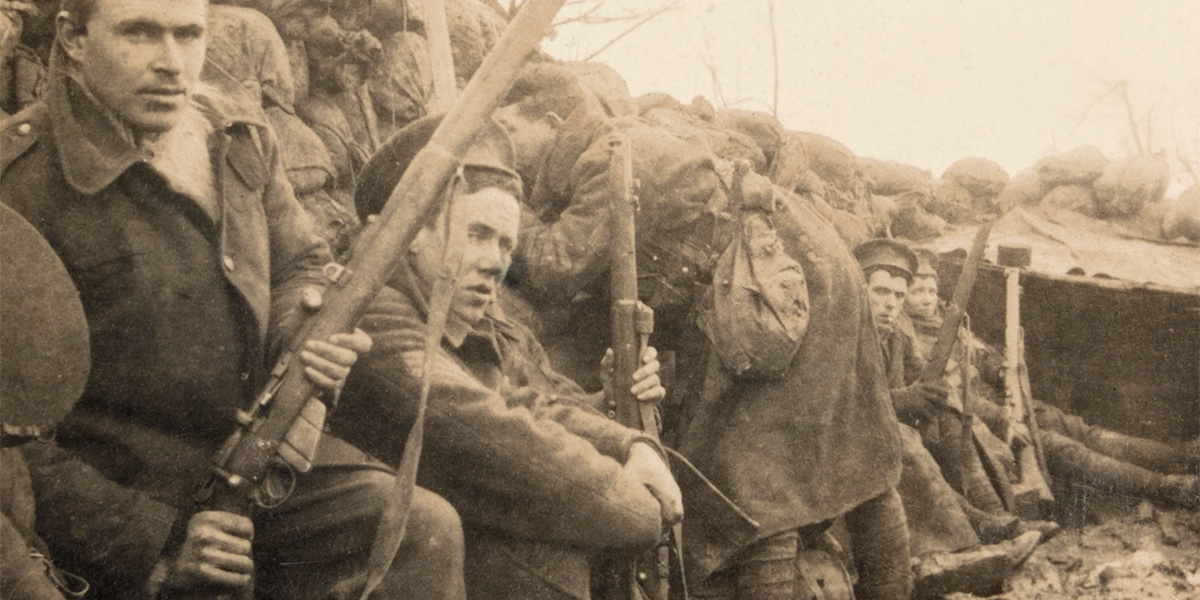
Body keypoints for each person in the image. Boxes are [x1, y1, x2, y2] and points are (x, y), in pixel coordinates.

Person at [0, 1, 463, 598]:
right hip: (117, 496)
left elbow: (298, 264)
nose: (171, 63)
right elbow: (11, 443)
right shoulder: (18, 183)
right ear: (74, 39)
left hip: (254, 463)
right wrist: (150, 540)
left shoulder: (234, 134)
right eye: (140, 34)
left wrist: (303, 337)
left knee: (416, 528)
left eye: (188, 35)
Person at [339, 114, 682, 600]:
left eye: (506, 244)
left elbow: (531, 404)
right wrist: (635, 507)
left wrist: (631, 444)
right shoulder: (369, 310)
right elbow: (488, 434)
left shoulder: (471, 325)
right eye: (477, 234)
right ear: (409, 232)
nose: (496, 262)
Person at [904, 249, 1200, 511]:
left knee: (1083, 431)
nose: (928, 299)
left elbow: (983, 352)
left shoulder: (949, 317)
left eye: (932, 290)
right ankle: (1170, 488)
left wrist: (1001, 371)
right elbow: (948, 397)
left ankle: (1182, 457)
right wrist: (1003, 417)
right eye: (918, 292)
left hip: (1008, 401)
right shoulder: (909, 341)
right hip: (981, 424)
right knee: (1067, 452)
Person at [853, 239, 1044, 598]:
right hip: (838, 449)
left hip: (879, 439)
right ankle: (966, 544)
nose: (890, 303)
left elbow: (920, 376)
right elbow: (845, 401)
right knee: (904, 442)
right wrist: (901, 400)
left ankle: (988, 522)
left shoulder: (894, 339)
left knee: (947, 418)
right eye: (880, 292)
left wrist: (935, 392)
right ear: (858, 289)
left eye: (897, 294)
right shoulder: (842, 336)